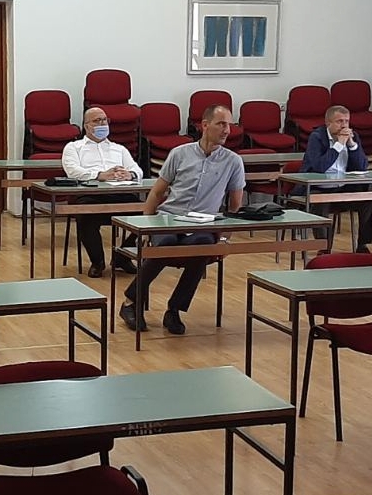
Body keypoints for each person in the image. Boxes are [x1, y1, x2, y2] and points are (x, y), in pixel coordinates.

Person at [119, 105, 245, 335]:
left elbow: (235, 205)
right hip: (170, 218)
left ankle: (174, 309)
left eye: (229, 125)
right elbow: (157, 192)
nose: (227, 130)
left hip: (204, 224)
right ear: (205, 125)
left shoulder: (233, 161)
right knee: (166, 244)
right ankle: (131, 301)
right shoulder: (180, 153)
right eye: (221, 124)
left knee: (202, 247)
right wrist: (146, 227)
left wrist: (225, 237)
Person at [61, 107, 143, 278]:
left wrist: (130, 174)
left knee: (147, 214)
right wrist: (99, 175)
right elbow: (72, 171)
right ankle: (97, 261)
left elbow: (137, 170)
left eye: (104, 120)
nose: (102, 123)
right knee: (85, 216)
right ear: (86, 126)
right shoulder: (74, 147)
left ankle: (122, 256)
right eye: (97, 121)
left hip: (120, 194)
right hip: (90, 194)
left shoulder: (119, 149)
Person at [300, 105, 372, 250]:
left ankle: (362, 245)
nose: (344, 126)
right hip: (319, 188)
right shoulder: (317, 137)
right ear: (328, 123)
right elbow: (320, 167)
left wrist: (352, 145)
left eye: (347, 121)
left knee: (368, 202)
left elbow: (362, 166)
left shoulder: (354, 136)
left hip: (343, 188)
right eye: (340, 121)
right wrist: (339, 144)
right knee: (320, 204)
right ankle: (324, 248)